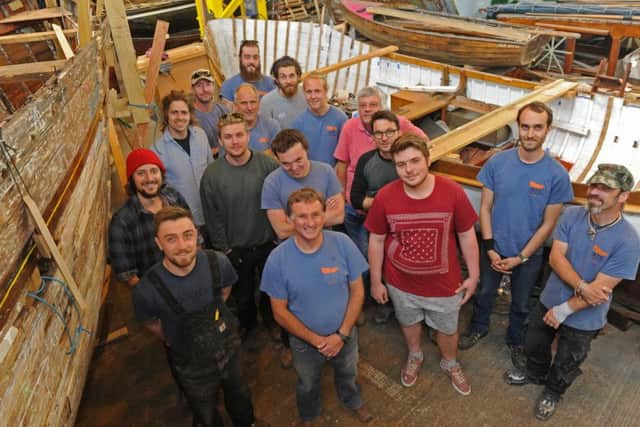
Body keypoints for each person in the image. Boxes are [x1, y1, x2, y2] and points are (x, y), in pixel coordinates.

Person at [504, 164, 639, 421]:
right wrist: (582, 287)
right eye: (593, 185)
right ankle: (535, 373)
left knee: (568, 359)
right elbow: (556, 259)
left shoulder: (629, 241)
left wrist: (565, 309)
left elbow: (601, 290)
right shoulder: (572, 216)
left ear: (623, 196)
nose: (595, 192)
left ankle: (553, 392)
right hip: (549, 301)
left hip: (583, 317)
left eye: (605, 188)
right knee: (534, 343)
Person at [459, 102, 574, 370]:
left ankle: (515, 340)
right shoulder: (498, 162)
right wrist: (489, 247)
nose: (530, 133)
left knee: (521, 303)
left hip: (528, 255)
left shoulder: (557, 175)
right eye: (525, 126)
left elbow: (548, 225)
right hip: (493, 248)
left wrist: (522, 257)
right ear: (518, 127)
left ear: (548, 129)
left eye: (537, 127)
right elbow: (485, 207)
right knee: (485, 293)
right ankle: (478, 327)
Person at [365, 134, 479, 395]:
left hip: (445, 285)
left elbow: (466, 235)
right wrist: (375, 280)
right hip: (400, 283)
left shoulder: (452, 192)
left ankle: (450, 361)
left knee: (448, 329)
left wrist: (473, 276)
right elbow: (377, 239)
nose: (409, 169)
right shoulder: (385, 197)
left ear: (428, 159)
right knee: (408, 322)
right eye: (401, 164)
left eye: (415, 161)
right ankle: (415, 355)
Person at [131, 207, 256, 427]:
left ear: (196, 234)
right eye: (171, 239)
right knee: (204, 411)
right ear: (158, 243)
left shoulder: (218, 262)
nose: (181, 246)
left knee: (240, 395)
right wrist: (175, 337)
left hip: (229, 349)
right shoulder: (146, 290)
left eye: (187, 235)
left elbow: (224, 291)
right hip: (191, 365)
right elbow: (152, 324)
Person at [261, 188, 373, 425]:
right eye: (301, 216)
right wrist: (317, 341)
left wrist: (341, 334)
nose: (309, 223)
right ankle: (309, 414)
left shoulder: (342, 243)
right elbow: (279, 312)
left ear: (324, 216)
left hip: (345, 333)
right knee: (307, 381)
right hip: (304, 342)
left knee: (348, 372)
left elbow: (357, 291)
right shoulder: (277, 259)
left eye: (315, 214)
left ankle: (352, 400)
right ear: (290, 220)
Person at [200, 112, 279, 340]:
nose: (234, 141)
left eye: (239, 135)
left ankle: (272, 322)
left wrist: (277, 238)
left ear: (248, 135)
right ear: (220, 140)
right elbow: (211, 215)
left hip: (267, 244)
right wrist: (225, 249)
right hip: (236, 249)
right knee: (242, 295)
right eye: (228, 136)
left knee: (270, 290)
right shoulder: (212, 175)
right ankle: (249, 328)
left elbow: (281, 201)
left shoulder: (268, 166)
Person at [334, 86, 426, 258]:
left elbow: (423, 142)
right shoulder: (350, 128)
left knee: (391, 254)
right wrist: (341, 199)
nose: (367, 109)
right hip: (357, 208)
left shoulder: (398, 123)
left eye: (373, 105)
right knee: (364, 257)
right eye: (363, 105)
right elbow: (341, 165)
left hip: (394, 213)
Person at [350, 110, 403, 324]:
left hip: (405, 227)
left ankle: (406, 307)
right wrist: (384, 203)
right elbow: (355, 198)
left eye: (389, 132)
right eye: (378, 133)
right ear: (372, 136)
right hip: (377, 225)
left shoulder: (407, 158)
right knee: (375, 264)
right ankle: (385, 304)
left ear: (399, 132)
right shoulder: (366, 161)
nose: (384, 137)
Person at [109, 149, 190, 287]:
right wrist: (158, 297)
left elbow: (195, 236)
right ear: (132, 179)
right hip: (157, 295)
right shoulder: (122, 221)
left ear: (161, 174)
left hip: (189, 280)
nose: (149, 178)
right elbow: (127, 275)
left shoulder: (174, 198)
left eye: (154, 171)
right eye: (141, 173)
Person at [151, 90, 213, 243]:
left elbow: (212, 171)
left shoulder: (201, 135)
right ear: (166, 115)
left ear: (190, 114)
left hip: (212, 214)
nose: (180, 117)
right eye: (174, 113)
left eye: (184, 112)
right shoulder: (157, 151)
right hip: (185, 221)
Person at [262, 129, 344, 240]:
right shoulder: (271, 183)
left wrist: (293, 222)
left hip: (326, 242)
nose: (294, 168)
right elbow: (281, 230)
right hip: (291, 247)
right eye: (286, 164)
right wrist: (323, 216)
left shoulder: (326, 171)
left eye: (298, 160)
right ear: (277, 159)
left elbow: (338, 216)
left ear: (307, 151)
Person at [291, 72, 347, 166]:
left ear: (325, 92)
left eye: (317, 91)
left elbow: (344, 156)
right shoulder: (298, 122)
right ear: (304, 93)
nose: (313, 96)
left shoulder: (341, 119)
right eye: (309, 92)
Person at [220, 40, 276, 108]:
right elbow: (227, 115)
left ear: (259, 59)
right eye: (247, 57)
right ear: (240, 58)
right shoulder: (228, 86)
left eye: (255, 57)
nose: (251, 61)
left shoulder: (272, 84)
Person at [190, 68, 230, 158]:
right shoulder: (189, 118)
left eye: (208, 84)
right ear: (192, 89)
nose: (205, 89)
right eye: (199, 86)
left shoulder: (224, 111)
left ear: (214, 86)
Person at [259, 56, 307, 129]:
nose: (288, 81)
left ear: (298, 76)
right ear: (277, 79)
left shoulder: (308, 95)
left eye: (292, 76)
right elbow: (265, 132)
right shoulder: (266, 102)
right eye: (283, 77)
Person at [234, 83, 280, 155]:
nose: (249, 108)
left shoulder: (272, 125)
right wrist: (266, 153)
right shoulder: (228, 129)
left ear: (259, 104)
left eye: (253, 102)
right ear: (236, 106)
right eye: (244, 103)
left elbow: (279, 156)